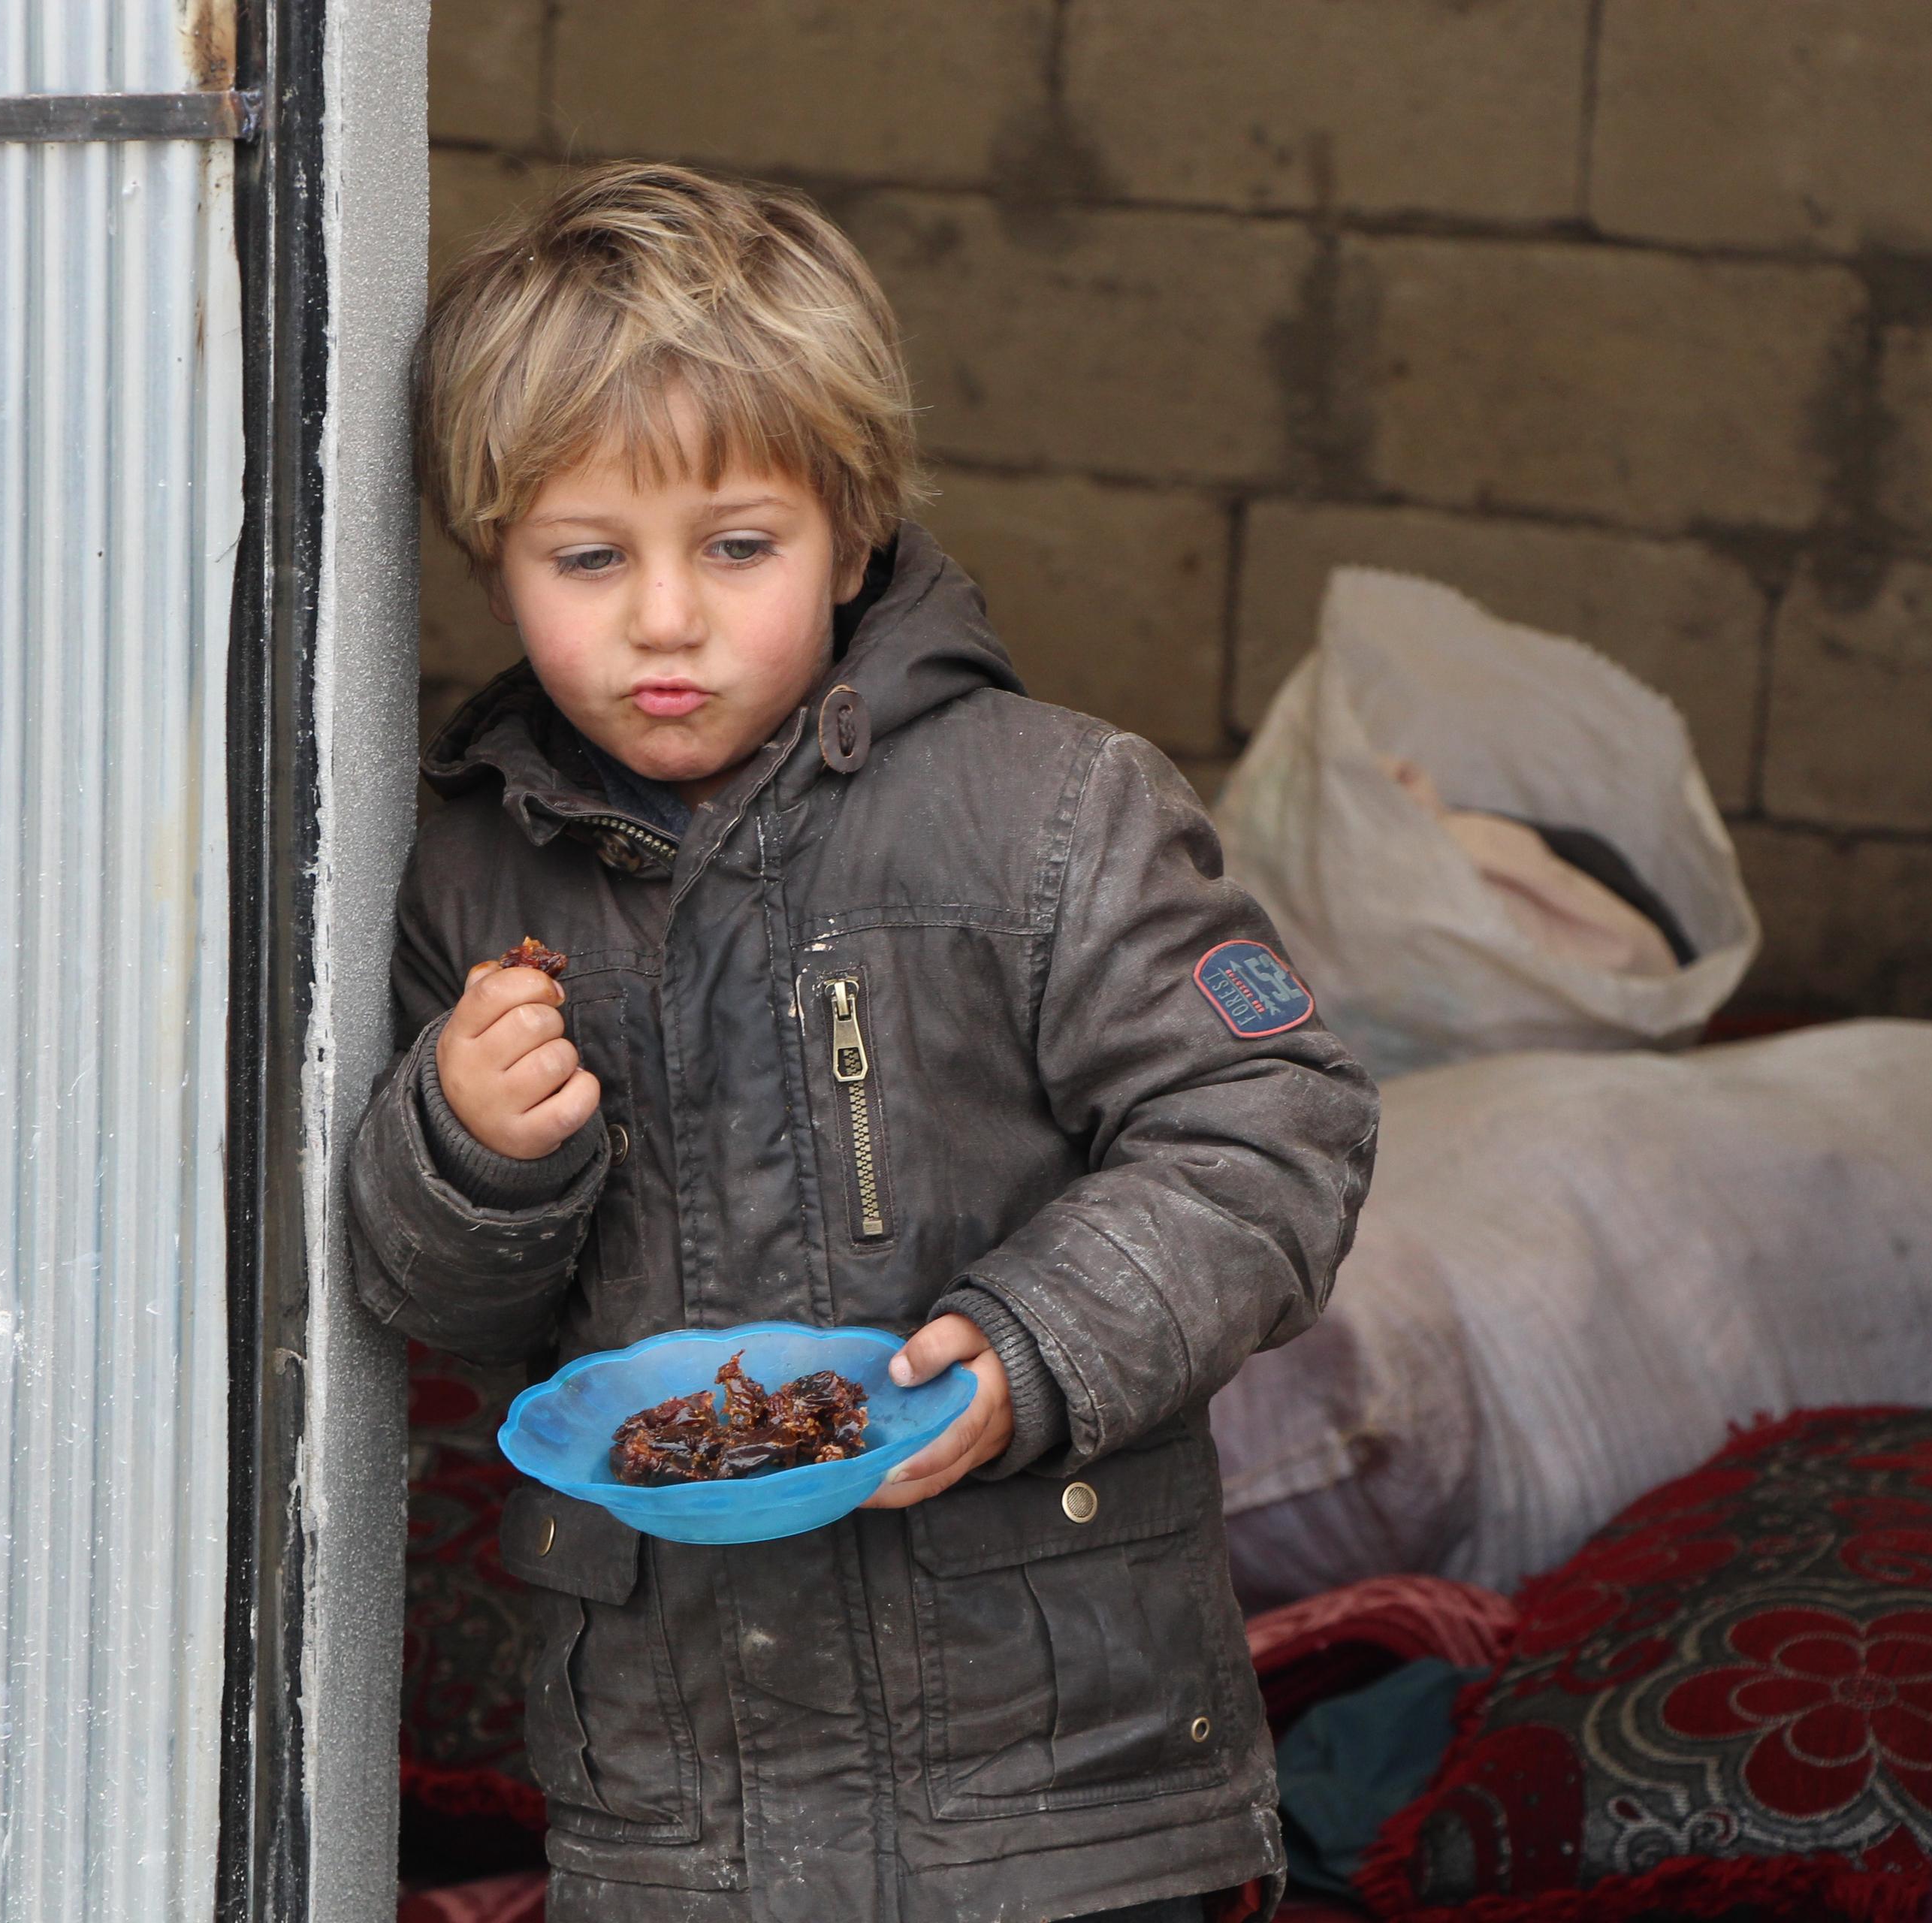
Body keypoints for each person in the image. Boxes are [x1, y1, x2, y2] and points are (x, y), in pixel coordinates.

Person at [349, 161, 1380, 1923]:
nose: (662, 618)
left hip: (1064, 1782)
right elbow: (437, 1312)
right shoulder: (465, 866)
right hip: (683, 1790)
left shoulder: (1049, 814)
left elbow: (1271, 1120)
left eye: (736, 547)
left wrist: (1037, 1340)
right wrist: (467, 1148)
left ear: (852, 523)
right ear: (490, 549)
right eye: (587, 556)